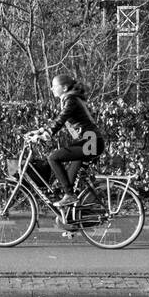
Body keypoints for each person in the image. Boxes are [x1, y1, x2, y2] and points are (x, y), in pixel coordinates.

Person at [42, 74, 103, 207]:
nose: (51, 89)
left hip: (90, 143)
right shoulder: (70, 99)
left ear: (64, 88)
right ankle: (72, 218)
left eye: (54, 86)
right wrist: (39, 132)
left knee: (53, 158)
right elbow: (56, 119)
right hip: (89, 141)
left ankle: (70, 196)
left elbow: (61, 119)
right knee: (69, 181)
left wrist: (48, 133)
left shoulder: (71, 100)